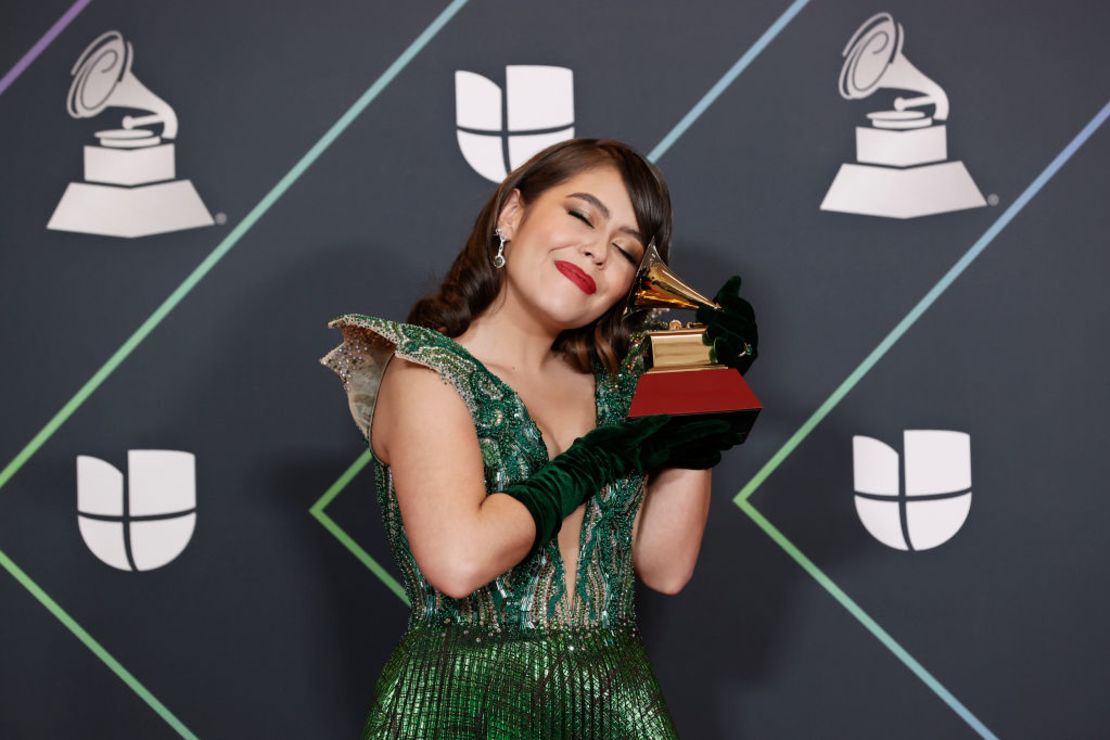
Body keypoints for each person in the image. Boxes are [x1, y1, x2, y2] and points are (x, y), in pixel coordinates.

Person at [320, 138, 759, 739]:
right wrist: (597, 458)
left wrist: (701, 389)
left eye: (627, 251)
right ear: (512, 213)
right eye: (581, 215)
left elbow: (665, 567)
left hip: (615, 709)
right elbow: (459, 560)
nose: (597, 251)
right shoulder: (427, 372)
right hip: (459, 710)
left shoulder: (621, 386)